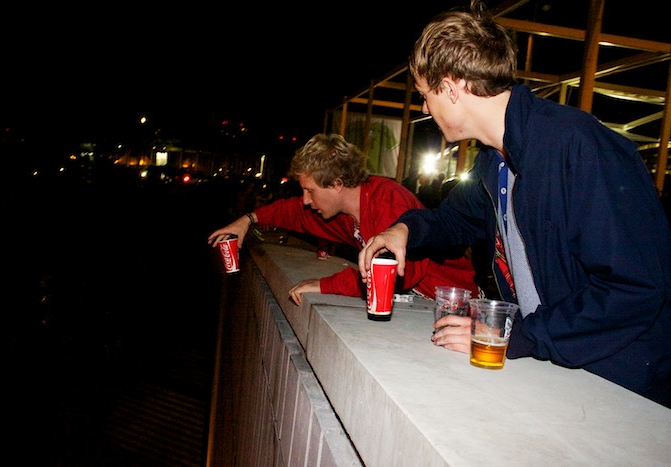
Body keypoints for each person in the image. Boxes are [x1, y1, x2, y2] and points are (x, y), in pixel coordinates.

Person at [358, 0, 671, 407]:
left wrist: (516, 333)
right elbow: (452, 220)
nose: (424, 108)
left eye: (424, 95)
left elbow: (635, 288)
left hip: (623, 386)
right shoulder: (496, 161)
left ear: (451, 88)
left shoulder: (577, 146)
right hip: (561, 369)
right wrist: (404, 230)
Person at [207, 133, 478, 305]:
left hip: (455, 304)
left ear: (337, 184)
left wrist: (325, 285)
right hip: (424, 304)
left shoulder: (387, 200)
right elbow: (295, 213)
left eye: (310, 191)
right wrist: (248, 219)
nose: (306, 200)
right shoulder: (346, 213)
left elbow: (395, 275)